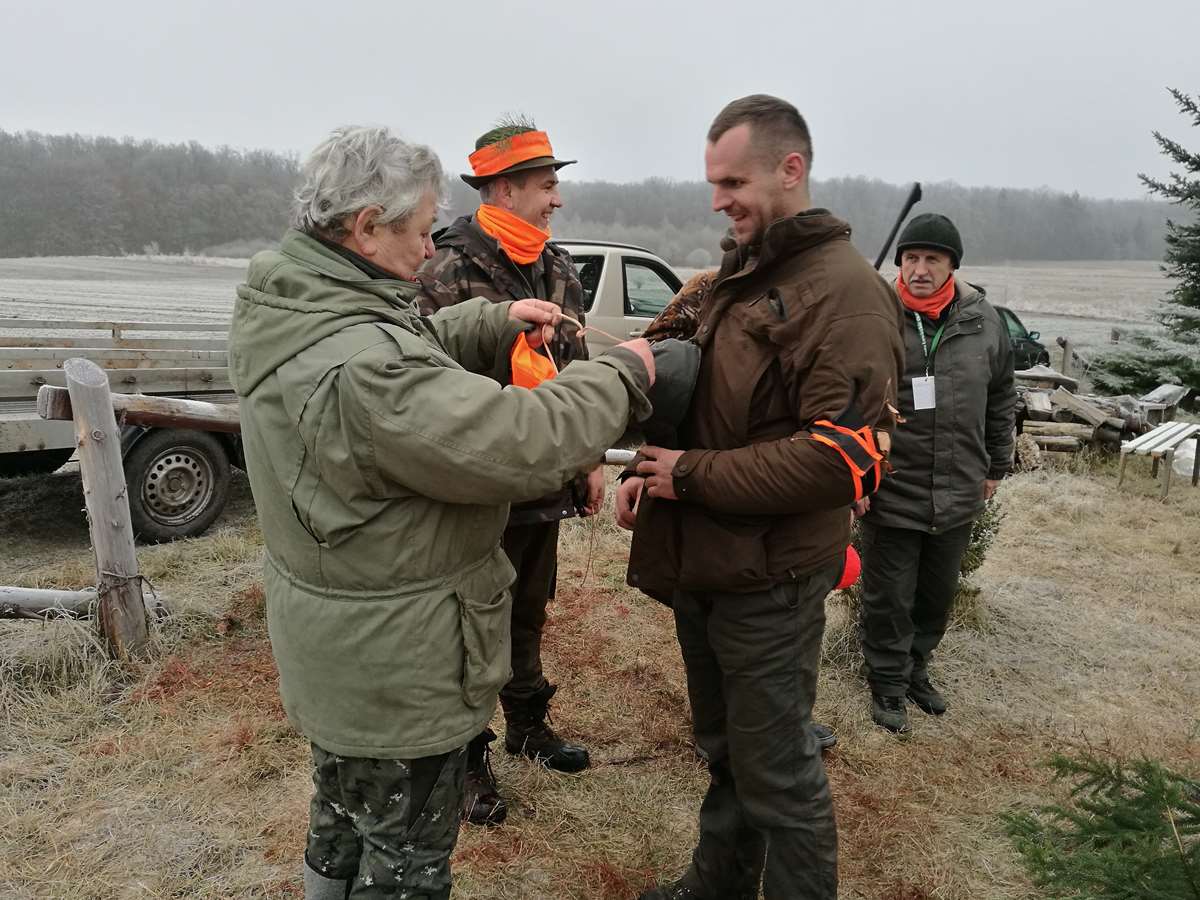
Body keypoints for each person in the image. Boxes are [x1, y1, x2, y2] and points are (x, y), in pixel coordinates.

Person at [228, 125, 662, 900]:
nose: (431, 247)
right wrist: (623, 375)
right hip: (397, 663)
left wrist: (491, 321)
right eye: (422, 229)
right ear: (367, 226)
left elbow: (405, 338)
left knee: (341, 817)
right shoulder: (366, 369)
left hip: (341, 644)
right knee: (405, 859)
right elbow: (519, 440)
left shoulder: (294, 301)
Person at [617, 95, 904, 900]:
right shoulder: (738, 280)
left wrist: (689, 475)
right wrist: (647, 472)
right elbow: (713, 407)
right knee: (726, 753)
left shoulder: (844, 295)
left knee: (779, 776)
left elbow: (844, 460)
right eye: (713, 183)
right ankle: (718, 884)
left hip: (771, 580)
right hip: (709, 563)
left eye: (734, 182)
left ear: (791, 169)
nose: (718, 200)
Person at [416, 116, 599, 826]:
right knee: (469, 620)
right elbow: (423, 382)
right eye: (547, 185)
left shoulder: (558, 266)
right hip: (475, 485)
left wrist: (587, 458)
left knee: (528, 606)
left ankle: (527, 724)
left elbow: (575, 368)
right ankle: (465, 756)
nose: (557, 198)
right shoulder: (445, 269)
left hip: (542, 479)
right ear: (504, 188)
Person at [855, 213, 1016, 734]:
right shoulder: (876, 315)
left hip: (958, 486)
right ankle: (886, 681)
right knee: (889, 596)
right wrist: (854, 476)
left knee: (935, 594)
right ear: (900, 263)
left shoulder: (983, 321)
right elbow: (848, 399)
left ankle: (916, 668)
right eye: (911, 258)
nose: (920, 270)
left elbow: (1001, 397)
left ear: (952, 265)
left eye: (932, 259)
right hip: (891, 484)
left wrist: (996, 465)